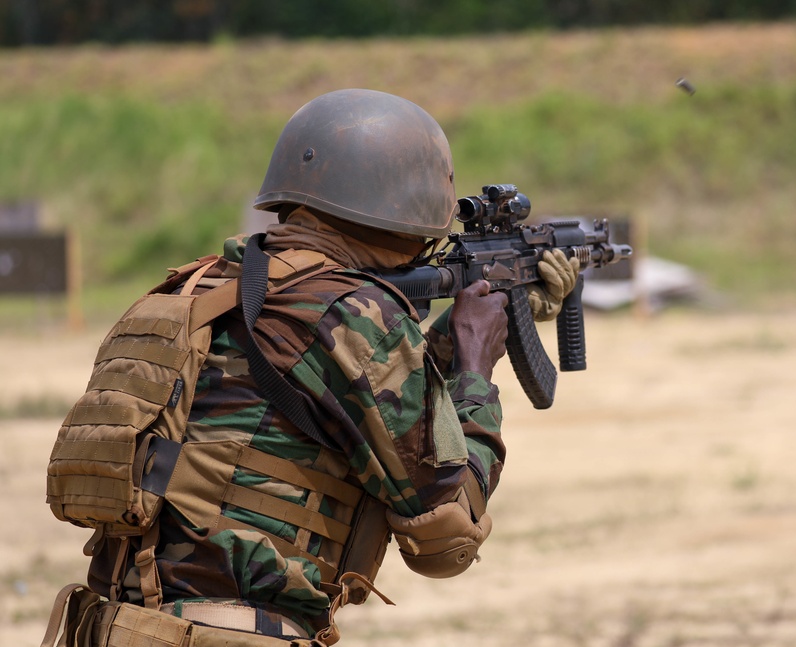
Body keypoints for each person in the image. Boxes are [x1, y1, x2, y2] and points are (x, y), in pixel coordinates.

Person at [44, 89, 579, 647]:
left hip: (112, 629)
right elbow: (446, 538)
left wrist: (450, 333)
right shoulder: (356, 316)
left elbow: (339, 390)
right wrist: (475, 366)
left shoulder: (193, 292)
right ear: (408, 208)